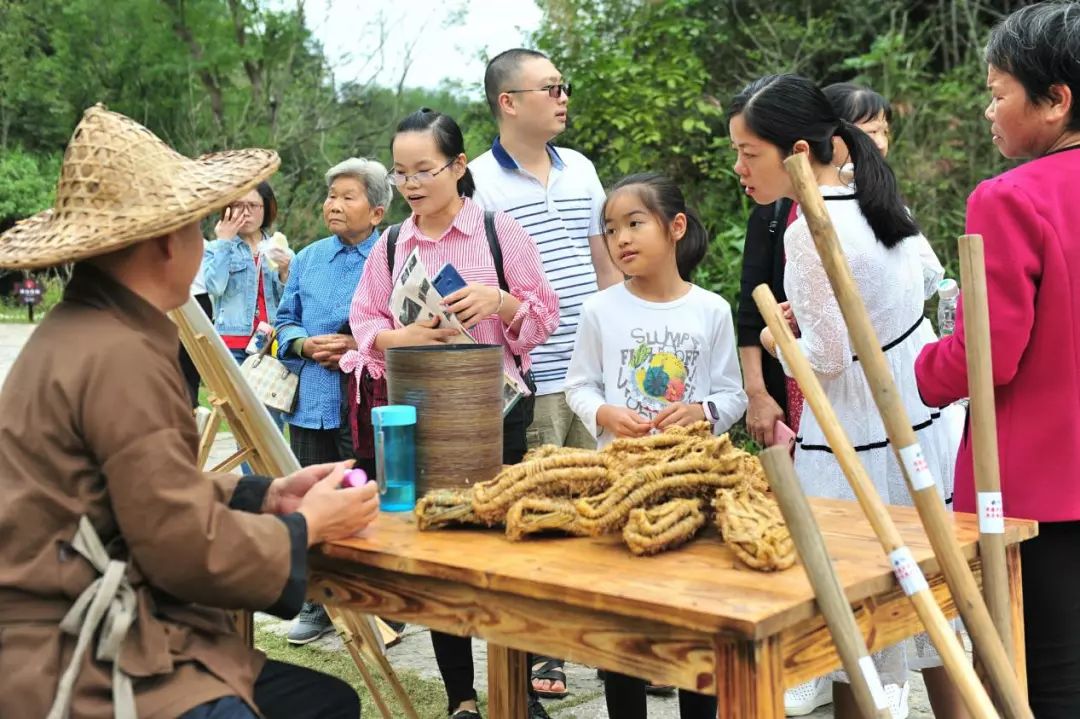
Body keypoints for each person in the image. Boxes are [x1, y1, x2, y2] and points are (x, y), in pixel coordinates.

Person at [0, 105, 379, 719]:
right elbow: (178, 547)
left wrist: (265, 497)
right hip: (75, 656)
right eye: (195, 227)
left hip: (87, 627)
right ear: (160, 242)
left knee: (322, 701)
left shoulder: (90, 329)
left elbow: (138, 495)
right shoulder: (118, 352)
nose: (201, 242)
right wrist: (306, 526)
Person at [728, 74, 962, 719]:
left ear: (796, 151)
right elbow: (930, 277)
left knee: (860, 620)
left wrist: (779, 339)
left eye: (750, 153)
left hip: (863, 430)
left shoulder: (810, 230)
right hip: (929, 417)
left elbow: (825, 362)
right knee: (940, 611)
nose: (740, 168)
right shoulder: (878, 197)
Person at [341, 108, 559, 719]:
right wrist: (402, 337)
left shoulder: (497, 230)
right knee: (441, 556)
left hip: (499, 414)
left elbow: (545, 314)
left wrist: (501, 300)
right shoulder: (389, 245)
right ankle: (462, 698)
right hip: (422, 417)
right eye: (401, 172)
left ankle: (516, 694)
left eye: (424, 170)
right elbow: (365, 326)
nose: (411, 184)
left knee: (503, 551)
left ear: (458, 167)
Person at [915, 3, 1080, 716]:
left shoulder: (1009, 198)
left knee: (1040, 683)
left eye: (998, 90)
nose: (988, 109)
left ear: (1056, 100)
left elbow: (991, 354)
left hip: (1032, 493)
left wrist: (925, 368)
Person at [469, 45, 621, 699]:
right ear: (509, 102)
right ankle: (541, 654)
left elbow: (605, 263)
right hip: (532, 379)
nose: (563, 97)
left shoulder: (582, 169)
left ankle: (620, 647)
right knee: (540, 514)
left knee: (609, 507)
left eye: (564, 85)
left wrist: (618, 351)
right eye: (550, 87)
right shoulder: (478, 182)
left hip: (594, 377)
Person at [564, 172, 745, 718]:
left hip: (690, 483)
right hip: (621, 482)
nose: (620, 238)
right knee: (625, 621)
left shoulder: (709, 309)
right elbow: (579, 384)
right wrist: (603, 413)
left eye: (634, 223)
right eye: (611, 229)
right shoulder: (601, 310)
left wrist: (702, 412)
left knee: (693, 617)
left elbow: (732, 394)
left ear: (676, 228)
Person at [274, 157, 393, 646]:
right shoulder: (307, 257)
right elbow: (284, 322)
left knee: (368, 498)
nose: (334, 205)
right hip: (314, 401)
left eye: (348, 196)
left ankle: (380, 601)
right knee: (310, 498)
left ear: (378, 211)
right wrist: (304, 344)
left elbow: (406, 323)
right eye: (331, 196)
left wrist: (356, 344)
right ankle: (316, 603)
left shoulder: (393, 254)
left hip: (368, 400)